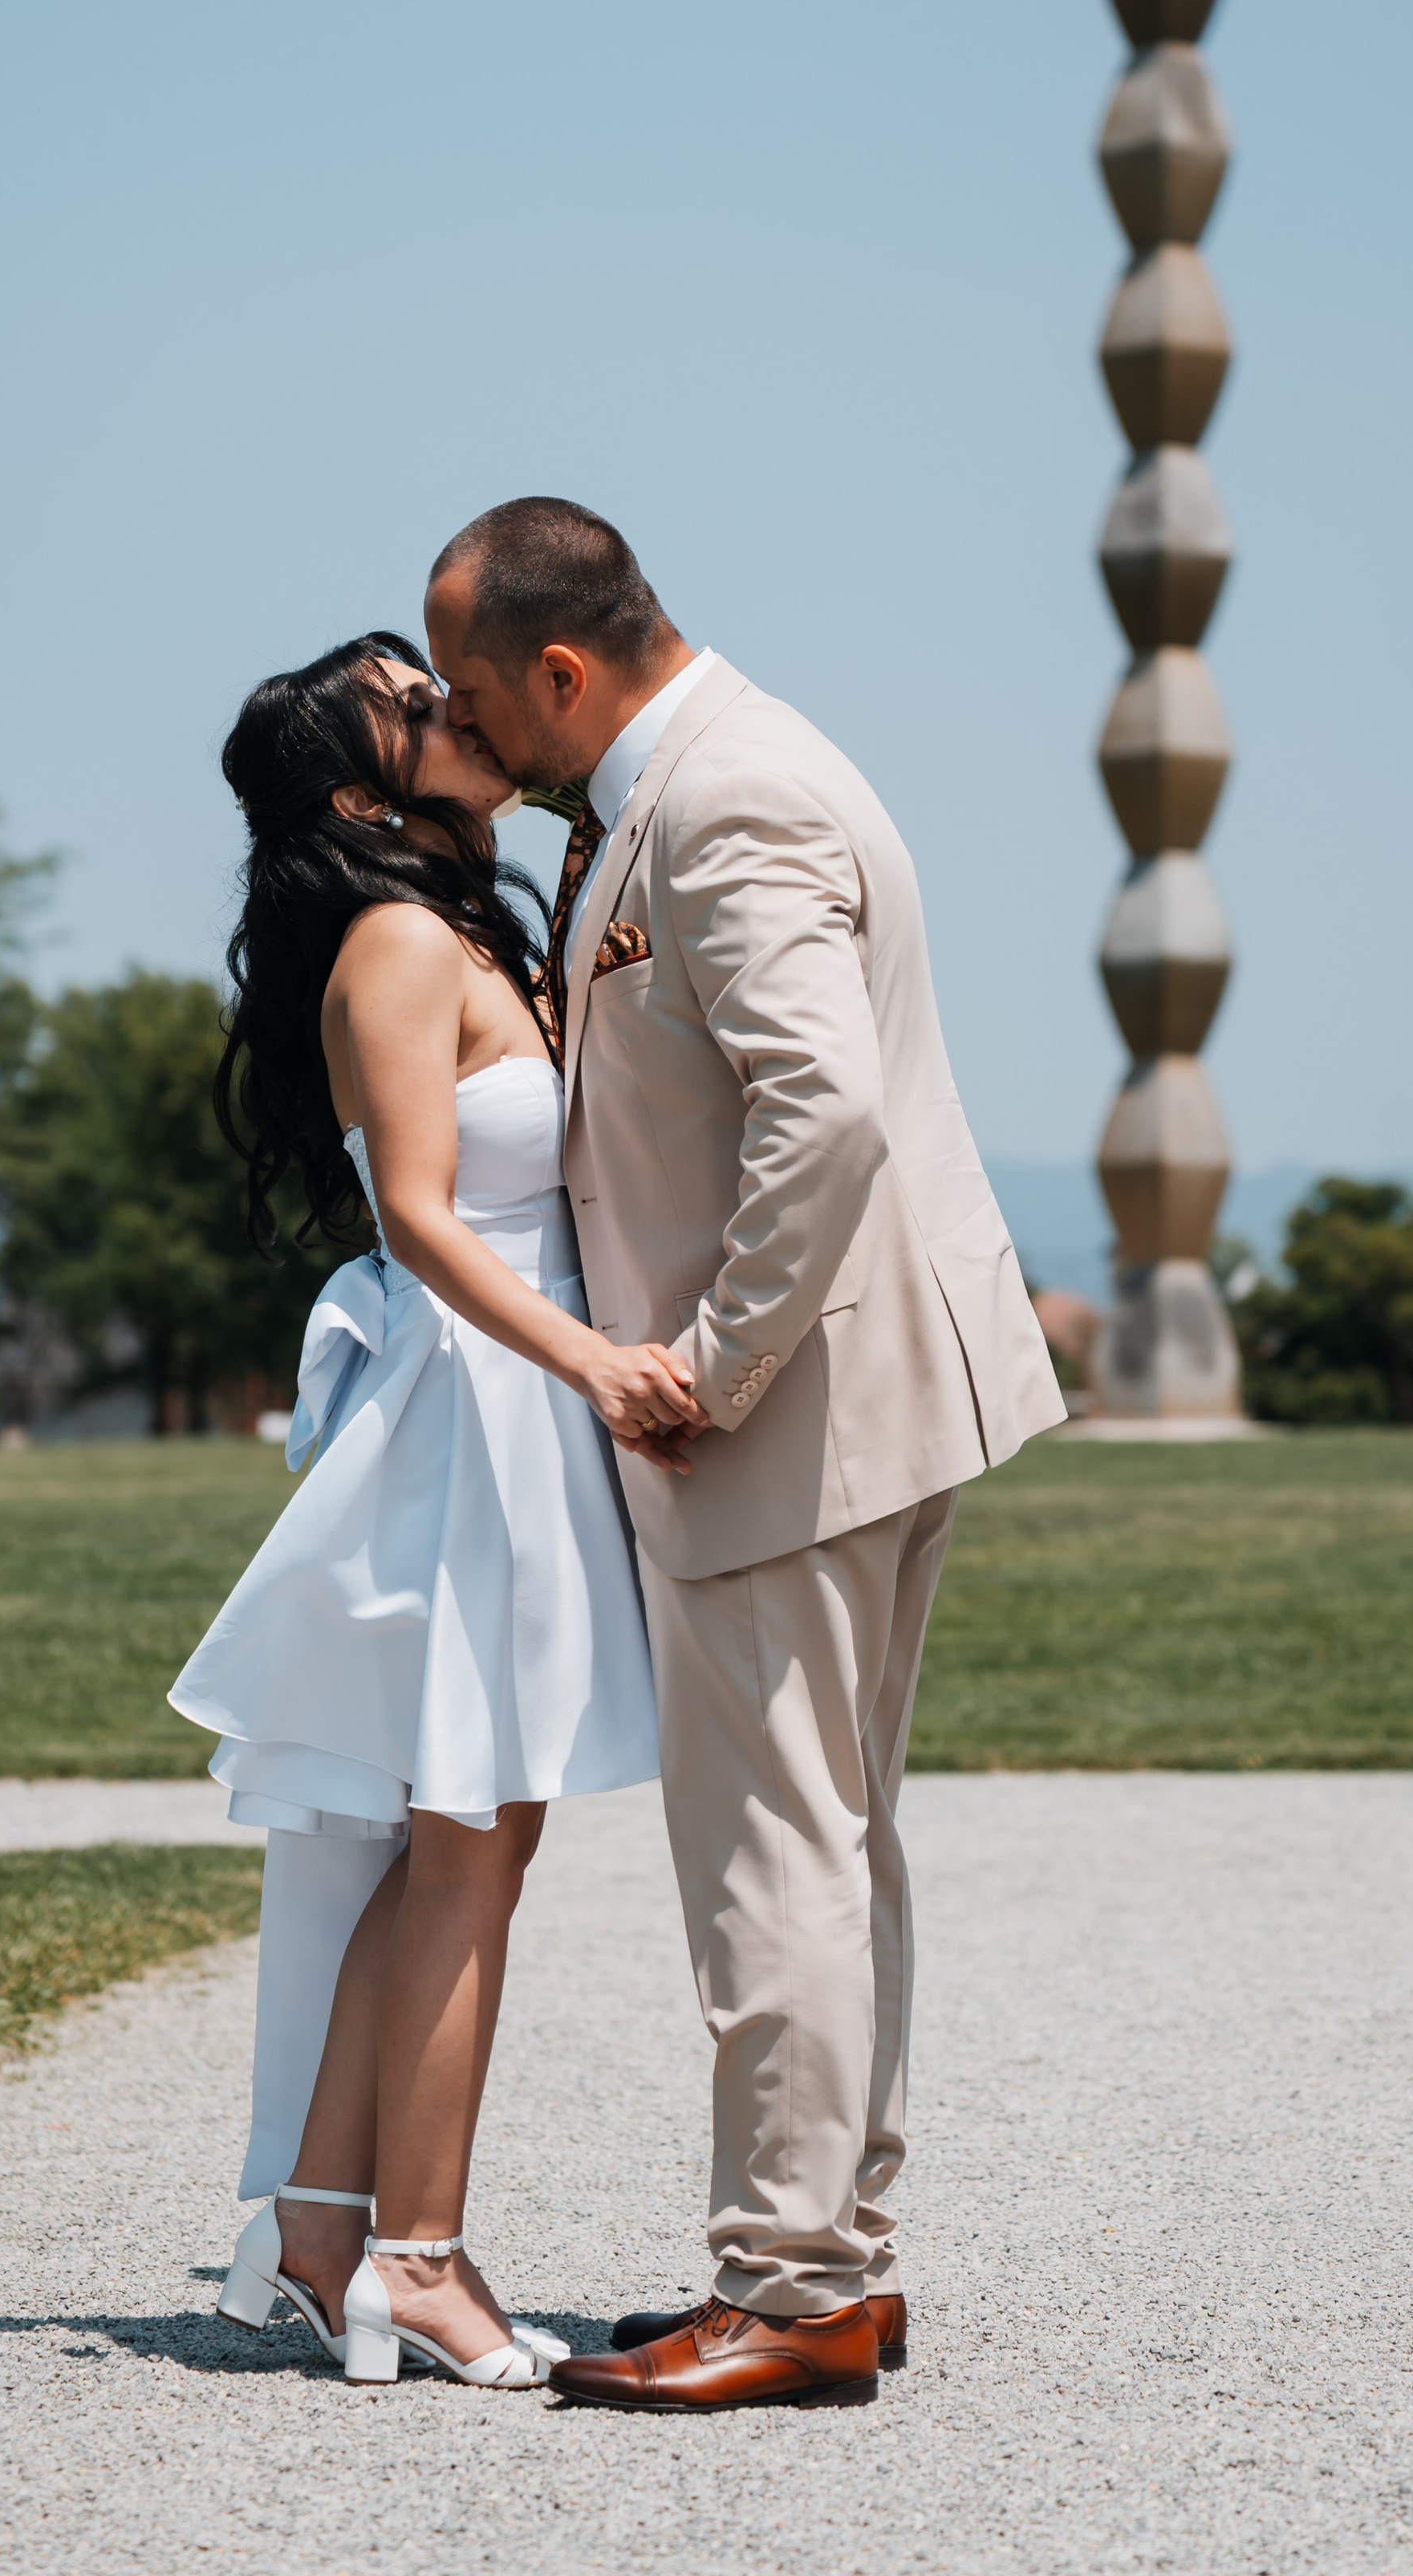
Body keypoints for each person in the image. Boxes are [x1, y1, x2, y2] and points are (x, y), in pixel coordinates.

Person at [424, 500, 1066, 2413]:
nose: (463, 732)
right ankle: (833, 2259)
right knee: (834, 1835)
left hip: (791, 1413)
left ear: (558, 669)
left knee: (773, 1850)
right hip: (857, 1394)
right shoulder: (703, 773)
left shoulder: (725, 796)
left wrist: (710, 1368)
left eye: (472, 694)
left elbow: (823, 1108)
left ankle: (787, 2287)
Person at [170, 632, 691, 2391]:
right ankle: (423, 2259)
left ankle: (327, 2232)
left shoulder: (469, 921)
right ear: (357, 792)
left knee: (462, 1841)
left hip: (517, 1399)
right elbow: (415, 1213)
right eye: (416, 704)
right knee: (469, 1840)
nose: (456, 707)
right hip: (483, 1406)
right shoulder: (395, 945)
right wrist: (593, 1361)